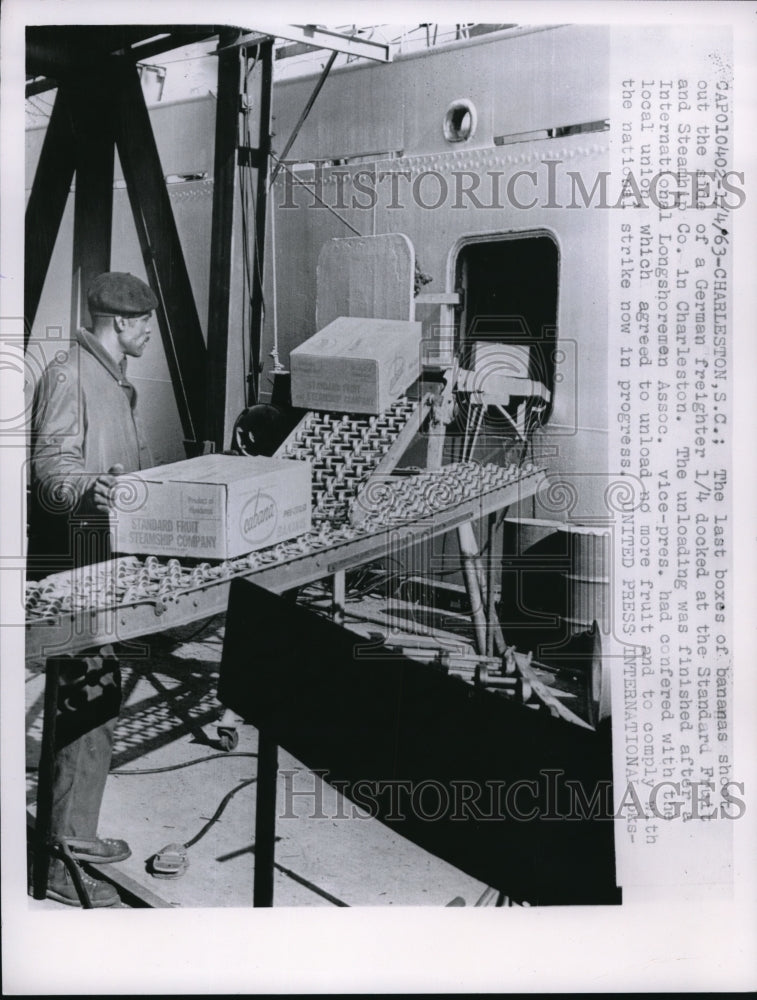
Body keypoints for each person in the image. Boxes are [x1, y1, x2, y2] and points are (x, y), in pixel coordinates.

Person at [29, 271, 158, 906]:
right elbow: (49, 470)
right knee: (87, 703)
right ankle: (62, 864)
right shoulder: (70, 374)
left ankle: (72, 838)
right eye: (144, 324)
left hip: (104, 564)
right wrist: (88, 488)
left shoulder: (110, 379)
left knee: (96, 706)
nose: (149, 333)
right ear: (119, 324)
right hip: (76, 569)